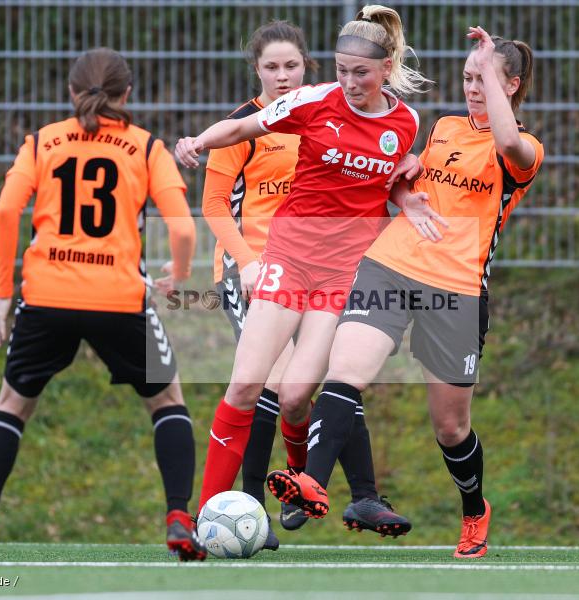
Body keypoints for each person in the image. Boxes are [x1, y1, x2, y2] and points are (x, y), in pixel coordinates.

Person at [272, 26, 543, 556]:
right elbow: (403, 184)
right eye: (467, 77)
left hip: (456, 288)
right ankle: (313, 484)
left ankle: (474, 510)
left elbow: (508, 143)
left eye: (483, 79)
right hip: (389, 266)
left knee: (450, 426)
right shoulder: (442, 127)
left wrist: (489, 74)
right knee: (345, 372)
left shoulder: (523, 147)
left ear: (509, 86)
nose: (471, 87)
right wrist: (407, 177)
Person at [177, 5, 432, 537]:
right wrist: (199, 141)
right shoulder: (315, 100)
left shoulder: (404, 123)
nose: (348, 82)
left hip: (343, 275)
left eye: (360, 73)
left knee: (296, 396)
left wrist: (410, 194)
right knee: (246, 384)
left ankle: (298, 483)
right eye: (340, 70)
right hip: (288, 259)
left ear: (386, 67)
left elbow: (395, 181)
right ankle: (203, 519)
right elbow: (244, 125)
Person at [0, 48, 205, 562]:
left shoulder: (42, 142)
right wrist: (177, 277)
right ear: (127, 95)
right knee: (168, 402)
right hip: (118, 296)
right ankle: (179, 517)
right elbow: (181, 227)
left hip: (47, 297)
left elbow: (4, 212)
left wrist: (2, 299)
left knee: (12, 404)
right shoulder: (146, 148)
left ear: (71, 93)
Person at [201, 20, 317, 548]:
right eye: (271, 66)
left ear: (306, 67)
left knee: (296, 388)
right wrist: (247, 262)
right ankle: (236, 510)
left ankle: (291, 484)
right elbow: (212, 206)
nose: (282, 75)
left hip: (305, 268)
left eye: (291, 65)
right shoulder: (242, 126)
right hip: (246, 269)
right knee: (260, 382)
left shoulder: (317, 120)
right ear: (257, 71)